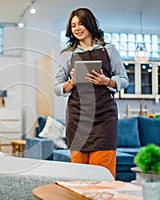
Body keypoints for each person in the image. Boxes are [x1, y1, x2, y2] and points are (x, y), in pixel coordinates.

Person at [54, 8, 129, 178]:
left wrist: (107, 81)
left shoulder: (108, 49)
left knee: (102, 174)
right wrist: (72, 82)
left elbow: (124, 80)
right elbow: (57, 88)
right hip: (78, 118)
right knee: (78, 175)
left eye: (80, 23)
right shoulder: (67, 55)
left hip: (104, 118)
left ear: (90, 24)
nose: (77, 28)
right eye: (73, 25)